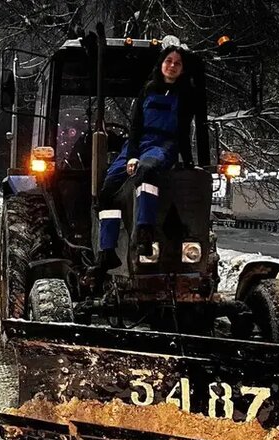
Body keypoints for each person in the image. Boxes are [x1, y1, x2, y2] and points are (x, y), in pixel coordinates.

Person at [94, 46, 195, 273]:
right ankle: (107, 251)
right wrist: (131, 155)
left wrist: (188, 161)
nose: (171, 66)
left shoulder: (185, 95)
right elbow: (135, 127)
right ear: (161, 64)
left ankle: (144, 231)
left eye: (177, 63)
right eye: (168, 61)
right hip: (139, 143)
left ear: (182, 69)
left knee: (147, 170)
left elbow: (183, 131)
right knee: (107, 189)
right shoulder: (148, 90)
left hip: (163, 144)